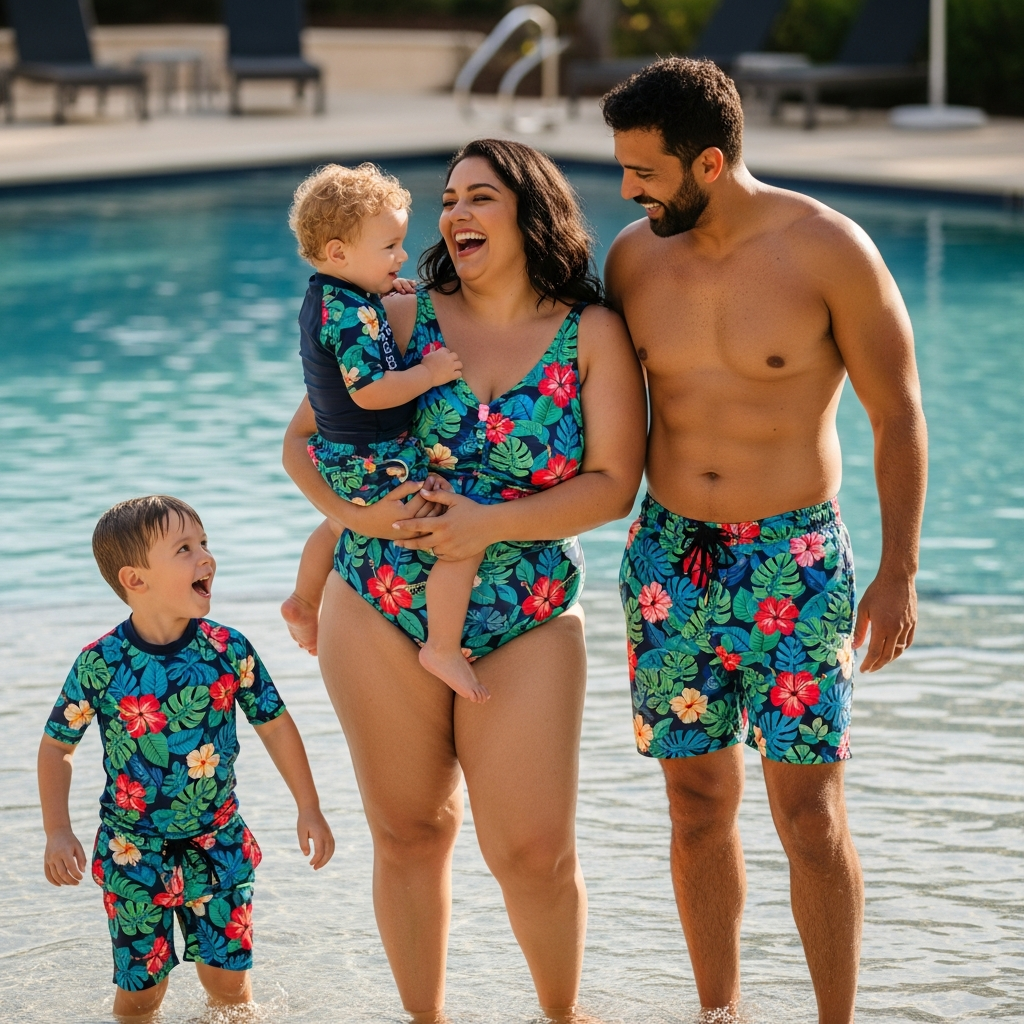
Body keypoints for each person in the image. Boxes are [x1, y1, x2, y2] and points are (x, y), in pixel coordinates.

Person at [282, 139, 646, 1020]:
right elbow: (304, 442)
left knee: (533, 850)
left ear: (530, 211)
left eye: (479, 196)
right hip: (377, 600)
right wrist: (361, 520)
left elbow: (612, 486)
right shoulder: (400, 315)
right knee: (410, 832)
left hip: (528, 613)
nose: (455, 215)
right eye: (448, 198)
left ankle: (562, 1015)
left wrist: (488, 526)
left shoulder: (589, 331)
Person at [603, 59, 927, 1024]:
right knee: (695, 807)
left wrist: (899, 570)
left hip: (795, 561)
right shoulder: (633, 258)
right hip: (668, 559)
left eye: (646, 172)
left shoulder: (829, 249)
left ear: (709, 162)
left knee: (810, 816)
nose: (629, 191)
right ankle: (721, 1013)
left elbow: (897, 412)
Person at [38, 495, 335, 1018]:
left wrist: (308, 806)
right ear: (136, 579)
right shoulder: (101, 663)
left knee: (229, 990)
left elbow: (276, 726)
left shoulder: (227, 649)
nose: (205, 557)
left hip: (218, 845)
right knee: (141, 995)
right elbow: (58, 746)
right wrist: (58, 831)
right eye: (184, 548)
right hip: (133, 853)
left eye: (205, 544)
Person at [279, 162, 491, 703]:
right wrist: (430, 373)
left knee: (336, 525)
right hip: (377, 456)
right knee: (456, 529)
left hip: (342, 455)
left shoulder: (334, 297)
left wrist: (380, 289)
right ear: (338, 253)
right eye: (390, 248)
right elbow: (369, 390)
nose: (402, 257)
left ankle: (304, 600)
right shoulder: (353, 315)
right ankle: (441, 646)